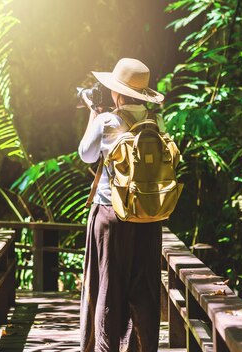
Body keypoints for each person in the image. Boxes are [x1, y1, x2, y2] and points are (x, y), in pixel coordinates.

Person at [78, 58, 165, 352]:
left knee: (108, 289)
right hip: (150, 216)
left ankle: (105, 347)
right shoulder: (156, 121)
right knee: (145, 290)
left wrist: (93, 114)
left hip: (112, 215)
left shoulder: (107, 121)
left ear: (117, 92)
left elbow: (86, 155)